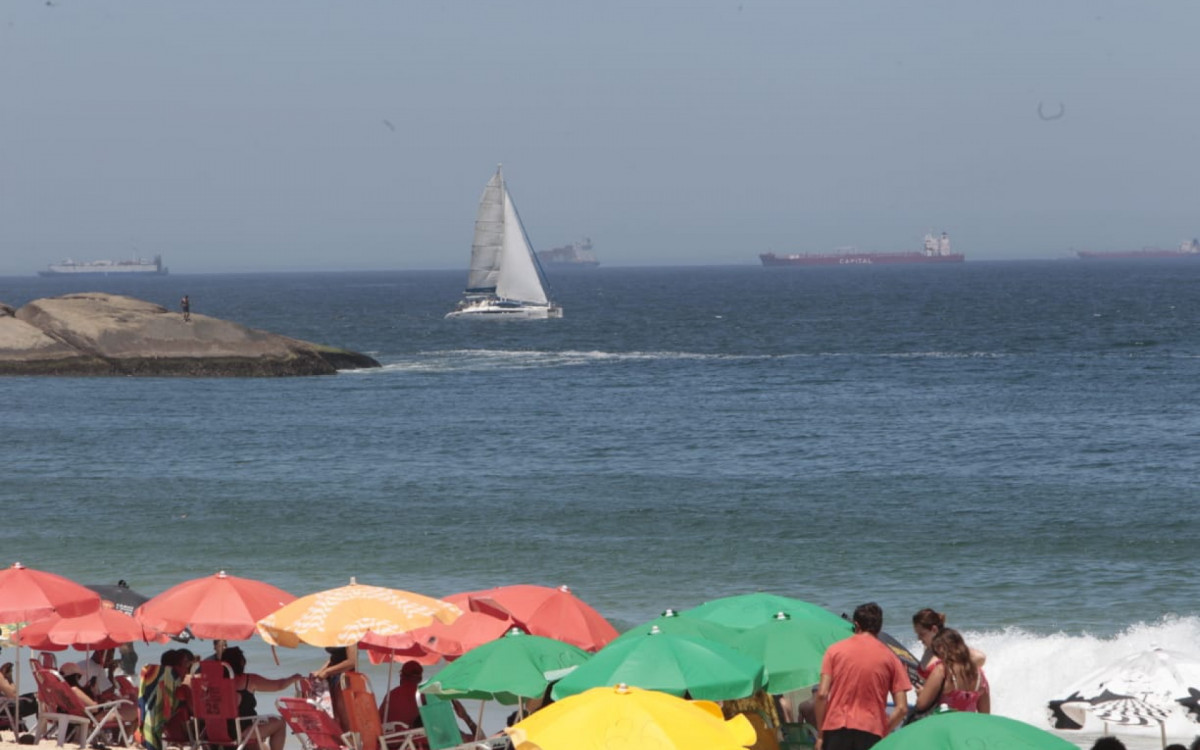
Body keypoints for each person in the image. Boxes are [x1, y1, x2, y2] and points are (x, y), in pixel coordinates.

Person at [814, 603, 911, 750]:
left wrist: (821, 734)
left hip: (836, 727)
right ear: (879, 627)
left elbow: (821, 694)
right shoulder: (891, 658)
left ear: (856, 625)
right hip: (871, 730)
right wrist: (884, 730)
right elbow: (902, 708)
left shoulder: (834, 651)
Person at [219, 647, 303, 750]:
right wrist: (293, 678)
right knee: (280, 722)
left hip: (217, 732)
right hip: (243, 731)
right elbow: (278, 685)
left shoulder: (214, 683)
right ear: (241, 663)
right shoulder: (249, 680)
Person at [914, 628, 989, 715]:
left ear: (940, 648)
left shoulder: (942, 670)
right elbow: (985, 713)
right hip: (968, 725)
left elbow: (921, 704)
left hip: (945, 725)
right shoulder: (979, 674)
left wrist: (921, 693)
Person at [911, 609, 986, 686]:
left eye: (922, 634)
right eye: (917, 634)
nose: (919, 638)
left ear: (934, 629)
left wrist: (952, 676)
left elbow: (980, 657)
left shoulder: (948, 647)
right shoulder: (929, 647)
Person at [61, 662, 139, 728]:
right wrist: (98, 699)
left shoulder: (63, 691)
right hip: (94, 718)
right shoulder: (74, 690)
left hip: (80, 716)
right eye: (79, 677)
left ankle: (121, 740)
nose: (79, 679)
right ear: (75, 676)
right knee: (136, 712)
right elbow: (94, 708)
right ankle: (124, 741)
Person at [312, 645, 357, 731]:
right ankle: (339, 740)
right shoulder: (334, 634)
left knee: (344, 715)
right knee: (333, 713)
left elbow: (352, 662)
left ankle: (350, 740)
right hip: (333, 674)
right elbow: (334, 658)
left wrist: (327, 671)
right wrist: (321, 671)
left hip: (345, 676)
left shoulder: (351, 635)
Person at [0, 660, 38, 732]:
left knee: (37, 697)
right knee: (39, 699)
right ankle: (42, 732)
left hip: (6, 707)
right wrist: (9, 678)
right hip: (8, 709)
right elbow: (13, 695)